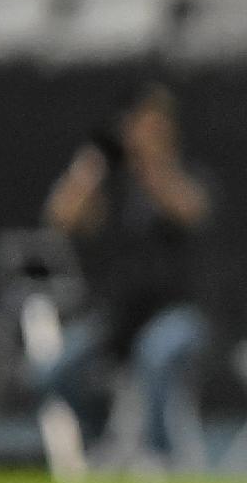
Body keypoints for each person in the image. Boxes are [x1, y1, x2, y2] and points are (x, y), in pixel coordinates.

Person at [40, 82, 211, 463]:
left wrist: (151, 163)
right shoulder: (112, 183)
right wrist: (91, 166)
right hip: (118, 320)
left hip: (178, 314)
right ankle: (99, 443)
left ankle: (158, 458)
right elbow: (61, 217)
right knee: (56, 371)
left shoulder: (186, 172)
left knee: (156, 353)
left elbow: (189, 210)